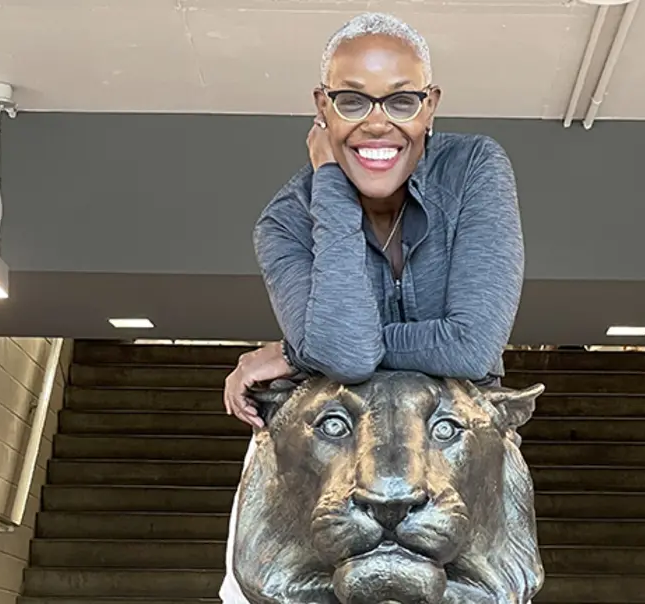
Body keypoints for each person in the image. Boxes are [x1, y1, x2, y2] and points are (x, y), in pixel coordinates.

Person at [218, 11, 526, 603]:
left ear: (430, 105)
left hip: (450, 457)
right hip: (323, 465)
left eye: (402, 101)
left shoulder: (475, 170)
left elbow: (471, 345)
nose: (378, 124)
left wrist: (298, 351)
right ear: (322, 104)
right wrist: (329, 185)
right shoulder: (285, 221)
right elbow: (346, 350)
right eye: (353, 102)